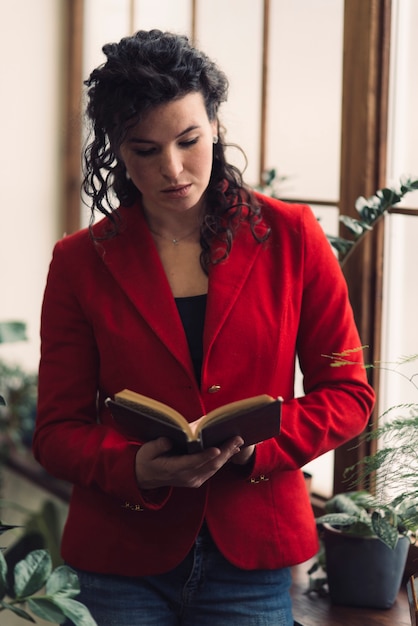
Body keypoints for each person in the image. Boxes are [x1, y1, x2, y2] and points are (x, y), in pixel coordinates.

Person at [33, 29, 375, 626]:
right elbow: (58, 429)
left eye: (189, 140)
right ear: (116, 149)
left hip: (251, 557)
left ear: (215, 124)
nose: (173, 169)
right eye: (145, 150)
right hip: (120, 556)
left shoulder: (293, 237)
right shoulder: (80, 261)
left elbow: (349, 395)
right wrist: (132, 466)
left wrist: (255, 446)